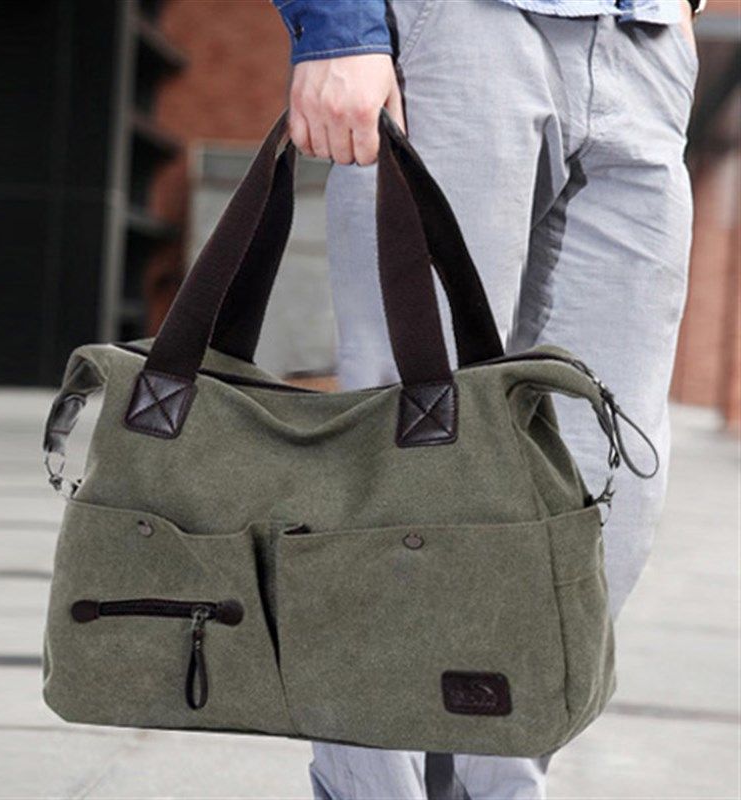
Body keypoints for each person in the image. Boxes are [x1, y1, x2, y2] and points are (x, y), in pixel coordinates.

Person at [272, 0, 702, 798]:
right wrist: (337, 27)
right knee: (409, 451)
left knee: (607, 482)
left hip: (642, 43)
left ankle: (497, 781)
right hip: (463, 29)